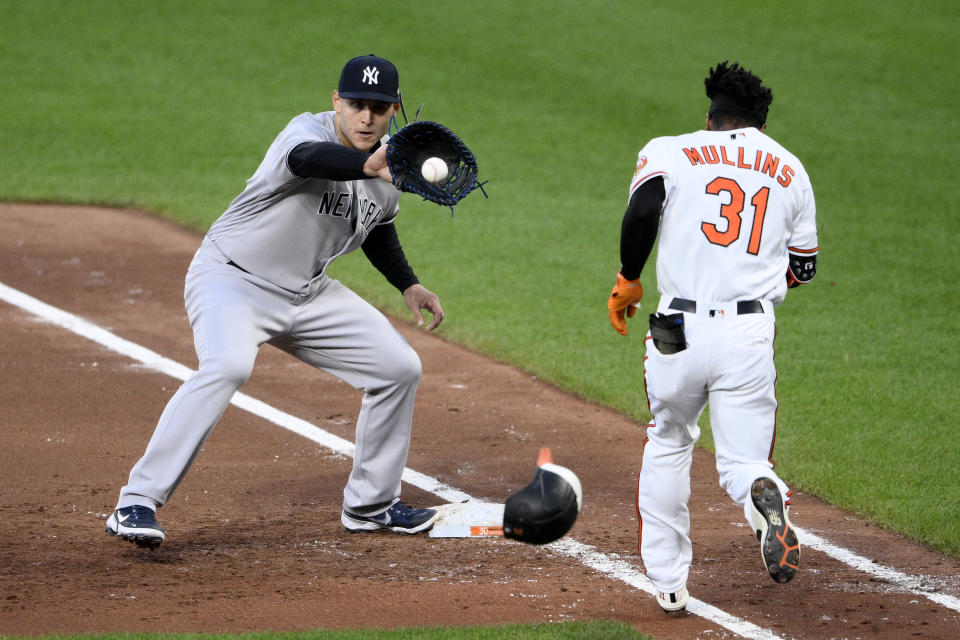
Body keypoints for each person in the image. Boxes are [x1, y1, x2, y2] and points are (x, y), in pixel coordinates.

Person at [106, 54, 445, 548]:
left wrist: (408, 284)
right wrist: (368, 164)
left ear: (394, 109)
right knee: (227, 367)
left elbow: (378, 225)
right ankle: (136, 501)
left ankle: (371, 506)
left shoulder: (391, 166)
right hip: (232, 281)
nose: (366, 118)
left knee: (398, 368)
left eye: (377, 107)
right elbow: (305, 161)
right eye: (355, 105)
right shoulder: (305, 132)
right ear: (336, 101)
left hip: (306, 293)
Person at [607, 61, 818, 613]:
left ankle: (670, 583)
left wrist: (630, 278)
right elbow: (805, 267)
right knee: (745, 459)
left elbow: (642, 211)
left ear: (711, 115)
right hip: (749, 330)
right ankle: (757, 494)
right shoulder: (791, 170)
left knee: (669, 438)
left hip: (674, 325)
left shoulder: (672, 149)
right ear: (760, 124)